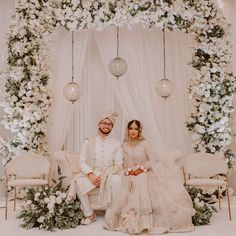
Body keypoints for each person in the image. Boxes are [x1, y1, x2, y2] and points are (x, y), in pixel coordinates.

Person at [104, 120, 195, 234]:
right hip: (131, 173)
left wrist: (141, 169)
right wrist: (130, 171)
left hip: (146, 173)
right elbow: (124, 163)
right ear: (127, 130)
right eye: (131, 128)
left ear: (139, 131)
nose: (133, 131)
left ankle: (146, 221)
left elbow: (152, 160)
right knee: (130, 181)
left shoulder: (144, 144)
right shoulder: (124, 145)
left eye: (136, 129)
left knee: (141, 180)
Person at [67, 111, 123, 225]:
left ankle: (114, 213)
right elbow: (82, 161)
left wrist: (106, 175)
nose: (106, 126)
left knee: (117, 180)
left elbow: (118, 164)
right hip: (92, 173)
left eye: (109, 124)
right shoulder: (89, 142)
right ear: (99, 124)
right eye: (104, 123)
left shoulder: (117, 143)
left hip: (109, 173)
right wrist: (91, 175)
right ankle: (89, 214)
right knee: (77, 182)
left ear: (112, 127)